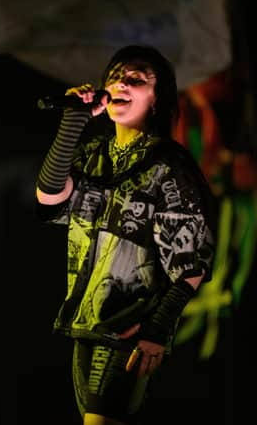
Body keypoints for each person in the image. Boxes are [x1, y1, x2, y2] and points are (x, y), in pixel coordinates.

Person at [34, 44, 216, 425]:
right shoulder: (93, 154)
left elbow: (193, 260)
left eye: (136, 79)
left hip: (128, 327)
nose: (121, 83)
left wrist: (157, 328)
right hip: (86, 322)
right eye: (115, 76)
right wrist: (73, 120)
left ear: (156, 98)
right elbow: (49, 200)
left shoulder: (169, 164)